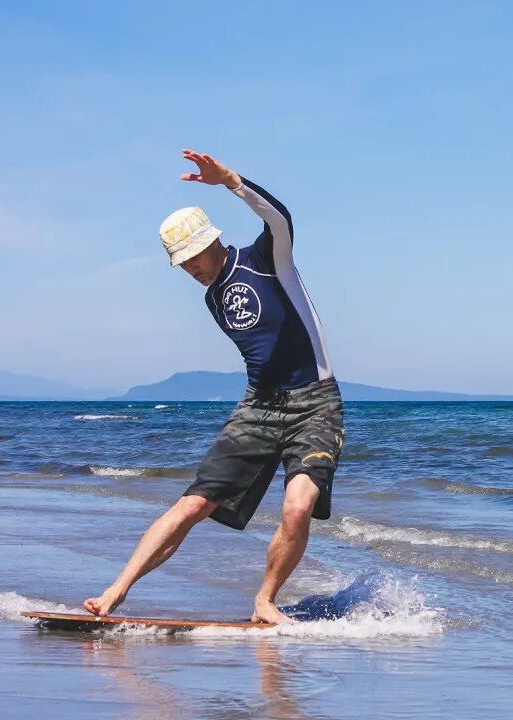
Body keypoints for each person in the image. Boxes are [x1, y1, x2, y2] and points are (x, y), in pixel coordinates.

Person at [83, 149, 344, 625]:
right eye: (180, 264)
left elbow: (280, 219)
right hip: (258, 408)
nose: (190, 269)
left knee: (298, 506)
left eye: (192, 257)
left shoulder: (267, 259)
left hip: (315, 405)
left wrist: (231, 182)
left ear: (213, 241)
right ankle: (115, 591)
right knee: (192, 504)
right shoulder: (212, 298)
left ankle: (265, 601)